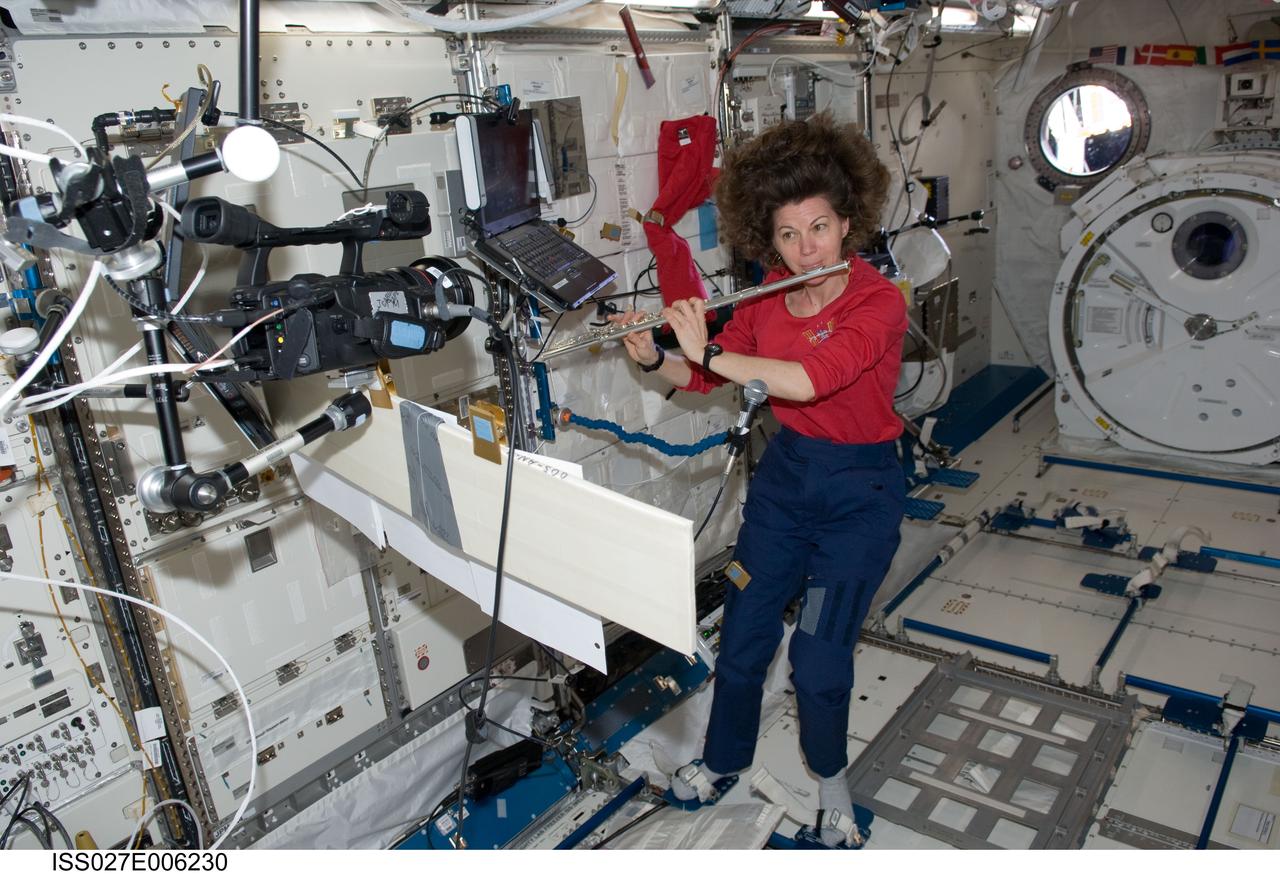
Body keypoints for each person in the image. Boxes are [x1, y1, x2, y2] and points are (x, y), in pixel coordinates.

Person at [610, 112, 907, 846]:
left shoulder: (877, 302)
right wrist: (654, 357)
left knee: (817, 658)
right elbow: (705, 377)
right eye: (789, 234)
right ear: (769, 240)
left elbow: (808, 380)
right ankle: (722, 761)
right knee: (743, 637)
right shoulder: (770, 292)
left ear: (848, 223)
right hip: (786, 481)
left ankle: (832, 788)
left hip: (859, 493)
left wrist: (706, 351)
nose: (807, 250)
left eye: (820, 228)